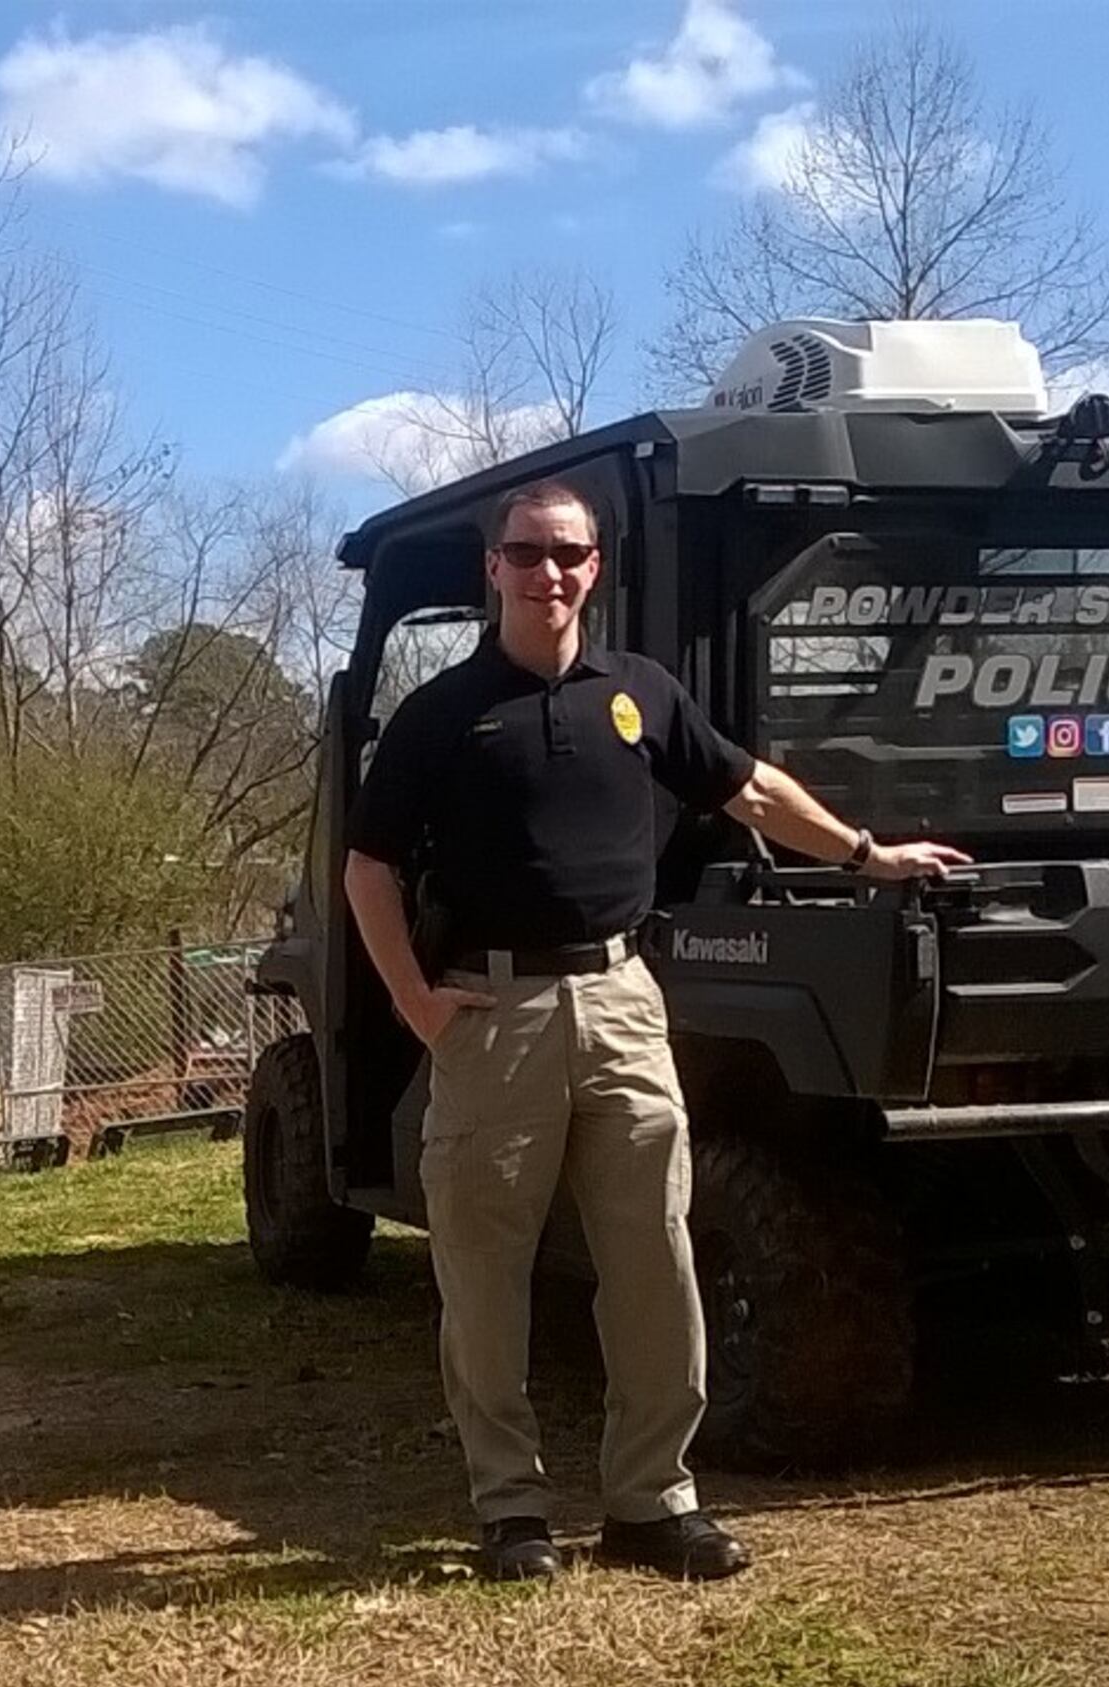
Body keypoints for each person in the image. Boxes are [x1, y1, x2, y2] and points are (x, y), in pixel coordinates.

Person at [339, 478, 970, 1584]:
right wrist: (419, 1006)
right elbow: (369, 868)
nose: (550, 573)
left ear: (596, 569)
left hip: (627, 1008)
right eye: (528, 553)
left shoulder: (640, 695)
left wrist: (871, 857)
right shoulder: (446, 714)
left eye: (569, 554)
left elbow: (754, 791)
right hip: (494, 1014)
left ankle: (650, 1504)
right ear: (494, 568)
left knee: (653, 1261)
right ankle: (511, 1511)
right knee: (486, 1275)